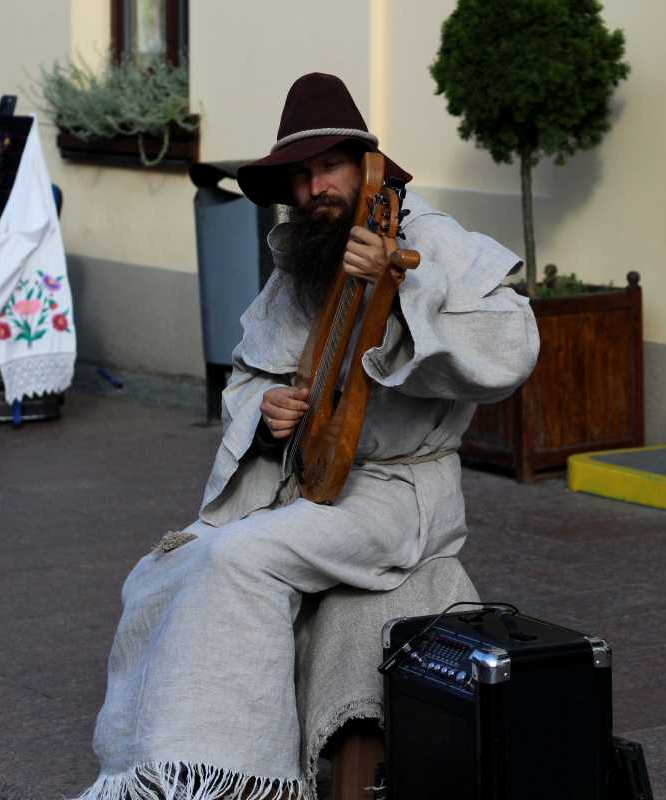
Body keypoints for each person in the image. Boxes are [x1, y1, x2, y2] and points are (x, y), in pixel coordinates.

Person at [73, 73, 539, 800]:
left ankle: (239, 778)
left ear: (366, 167)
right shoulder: (306, 258)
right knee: (162, 569)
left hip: (400, 495)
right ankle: (151, 770)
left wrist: (395, 296)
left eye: (327, 166)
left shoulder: (437, 244)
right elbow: (251, 374)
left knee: (238, 557)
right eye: (299, 173)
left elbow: (510, 353)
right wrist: (268, 411)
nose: (313, 186)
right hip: (315, 486)